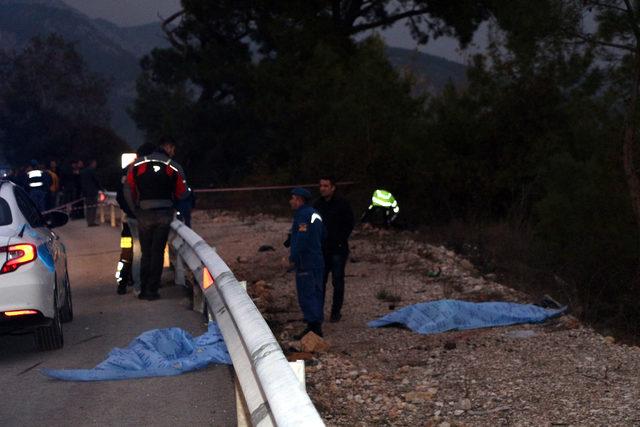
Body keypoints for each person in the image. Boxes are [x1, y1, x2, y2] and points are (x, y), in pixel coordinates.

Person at [127, 139, 189, 300]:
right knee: (158, 251)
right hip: (164, 213)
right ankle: (153, 290)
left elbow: (129, 189)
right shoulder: (173, 165)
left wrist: (136, 208)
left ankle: (143, 289)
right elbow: (183, 192)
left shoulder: (137, 165)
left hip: (144, 213)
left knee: (146, 252)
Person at [115, 143, 156, 295]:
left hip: (127, 222)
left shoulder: (126, 170)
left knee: (126, 252)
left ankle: (122, 282)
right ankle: (137, 283)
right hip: (140, 219)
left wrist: (128, 210)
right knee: (141, 252)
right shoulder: (145, 171)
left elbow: (120, 196)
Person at [313, 177, 354, 322]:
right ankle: (318, 312)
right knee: (320, 282)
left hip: (338, 249)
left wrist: (340, 240)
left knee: (337, 281)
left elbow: (350, 223)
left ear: (333, 187)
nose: (322, 188)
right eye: (321, 186)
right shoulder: (317, 205)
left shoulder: (342, 204)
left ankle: (335, 312)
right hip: (322, 250)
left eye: (326, 185)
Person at [289, 187, 326, 338]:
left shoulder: (303, 215)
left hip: (306, 261)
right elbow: (323, 235)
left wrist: (294, 256)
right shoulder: (315, 213)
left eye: (292, 198)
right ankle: (316, 324)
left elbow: (301, 239)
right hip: (317, 259)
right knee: (317, 292)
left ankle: (313, 327)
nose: (290, 201)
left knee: (307, 294)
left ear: (299, 199)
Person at [80, 159, 103, 226]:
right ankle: (91, 222)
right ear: (92, 163)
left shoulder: (83, 171)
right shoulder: (92, 171)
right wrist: (101, 188)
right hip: (92, 192)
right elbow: (96, 180)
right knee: (93, 207)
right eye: (95, 163)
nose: (95, 164)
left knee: (88, 207)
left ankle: (89, 221)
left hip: (86, 192)